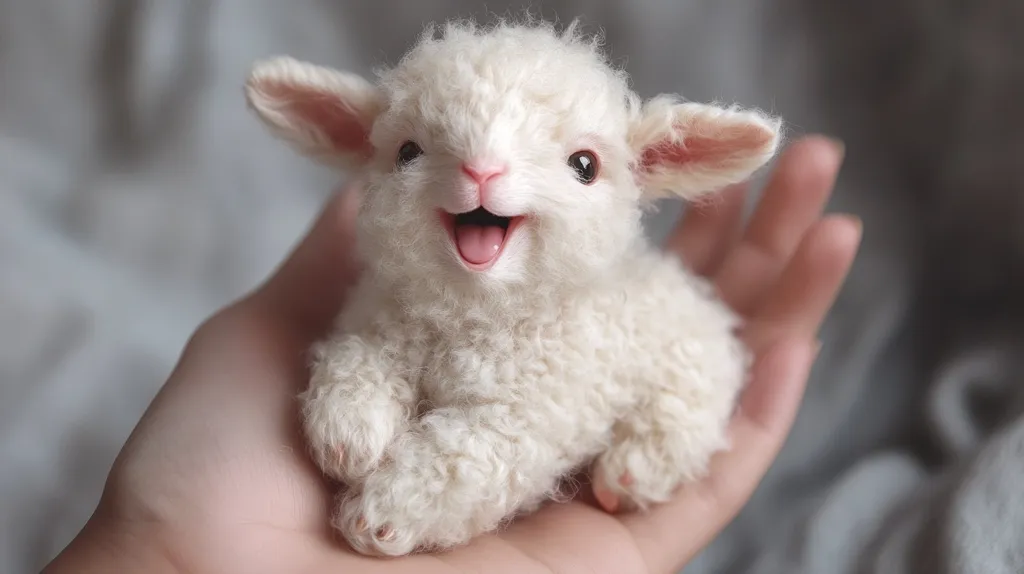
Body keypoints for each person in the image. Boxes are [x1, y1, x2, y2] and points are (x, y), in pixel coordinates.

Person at [41, 135, 859, 574]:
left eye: (579, 163)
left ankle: (659, 437)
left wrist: (406, 497)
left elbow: (515, 434)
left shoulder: (593, 325)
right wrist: (162, 555)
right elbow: (367, 343)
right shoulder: (392, 292)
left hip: (640, 355)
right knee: (367, 362)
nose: (483, 172)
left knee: (689, 375)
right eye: (413, 149)